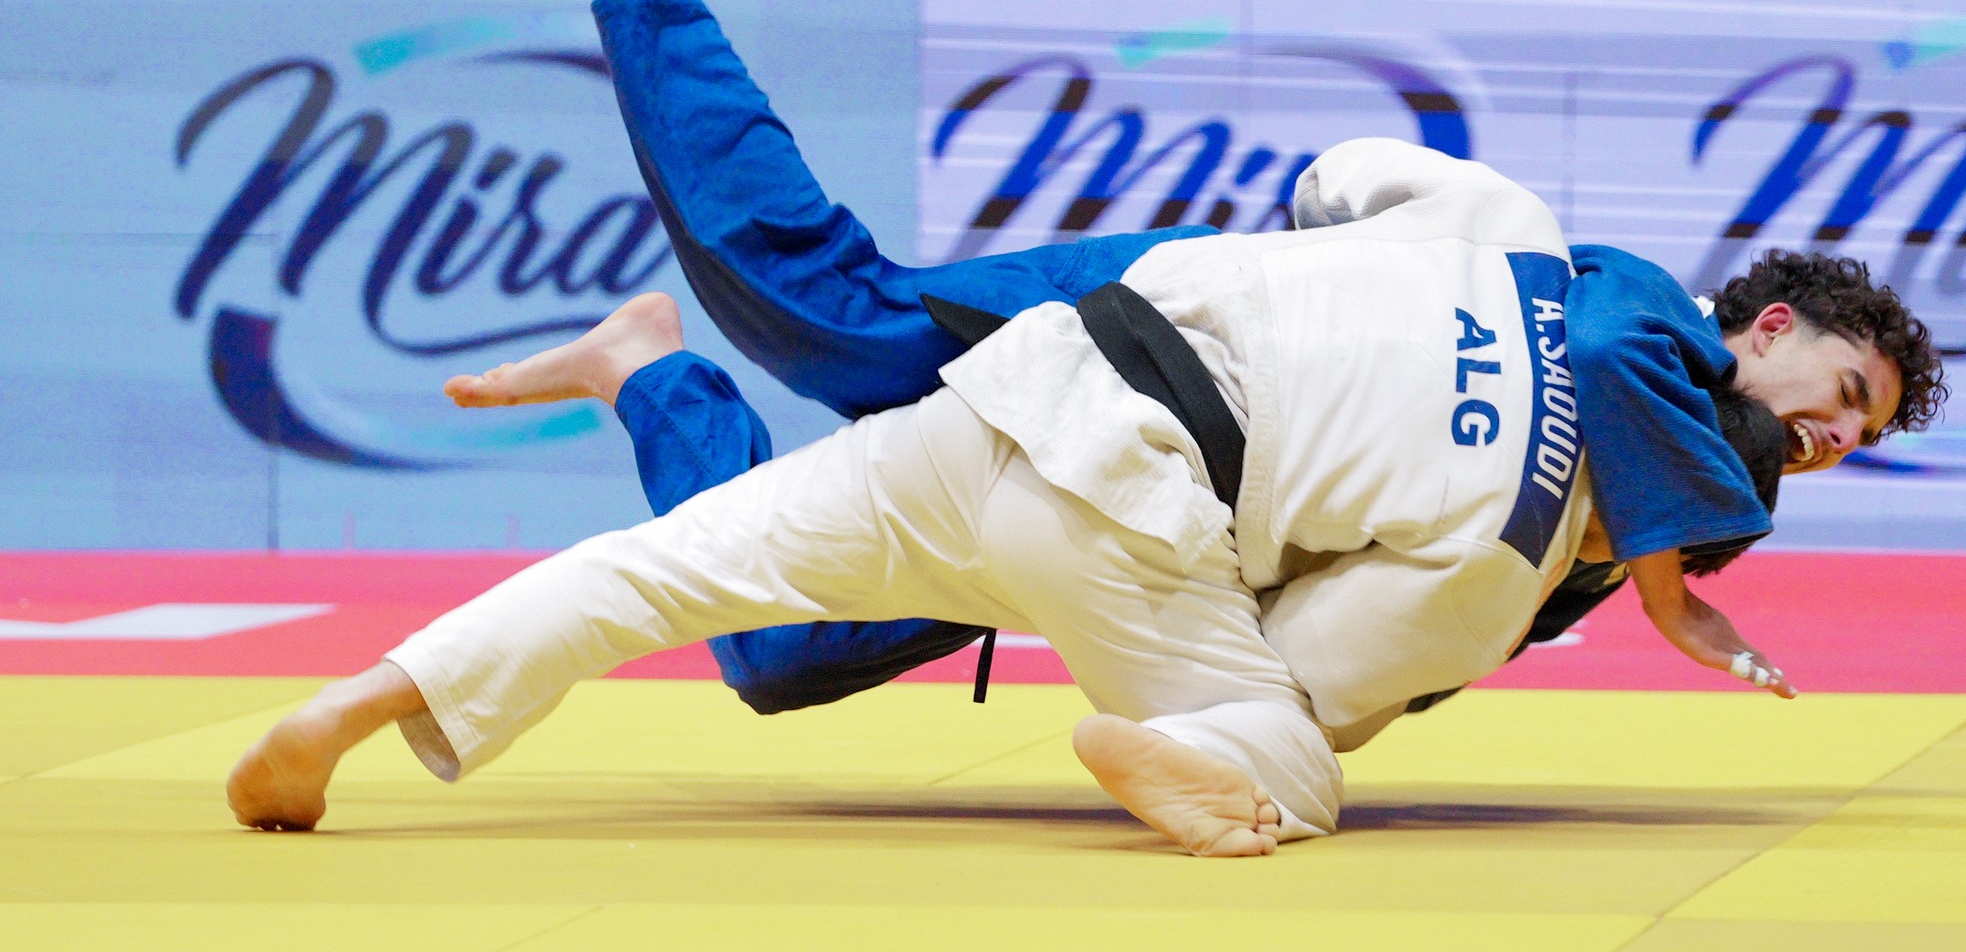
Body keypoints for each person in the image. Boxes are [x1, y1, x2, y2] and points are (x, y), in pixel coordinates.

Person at [453, 0, 1946, 718]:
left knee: (781, 658)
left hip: (1165, 532)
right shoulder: (1623, 313)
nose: (1836, 434)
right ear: (1769, 325)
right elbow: (1343, 188)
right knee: (840, 324)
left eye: (1860, 439)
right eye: (1848, 393)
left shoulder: (1633, 519)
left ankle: (645, 369)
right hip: (1164, 355)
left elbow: (1412, 633)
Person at [226, 126, 1795, 855]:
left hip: (1025, 377)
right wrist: (1237, 713)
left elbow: (1332, 177)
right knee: (1290, 764)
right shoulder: (1507, 557)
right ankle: (1171, 760)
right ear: (1648, 506)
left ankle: (358, 706)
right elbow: (1313, 678)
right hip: (1141, 518)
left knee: (670, 565)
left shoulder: (1517, 225)